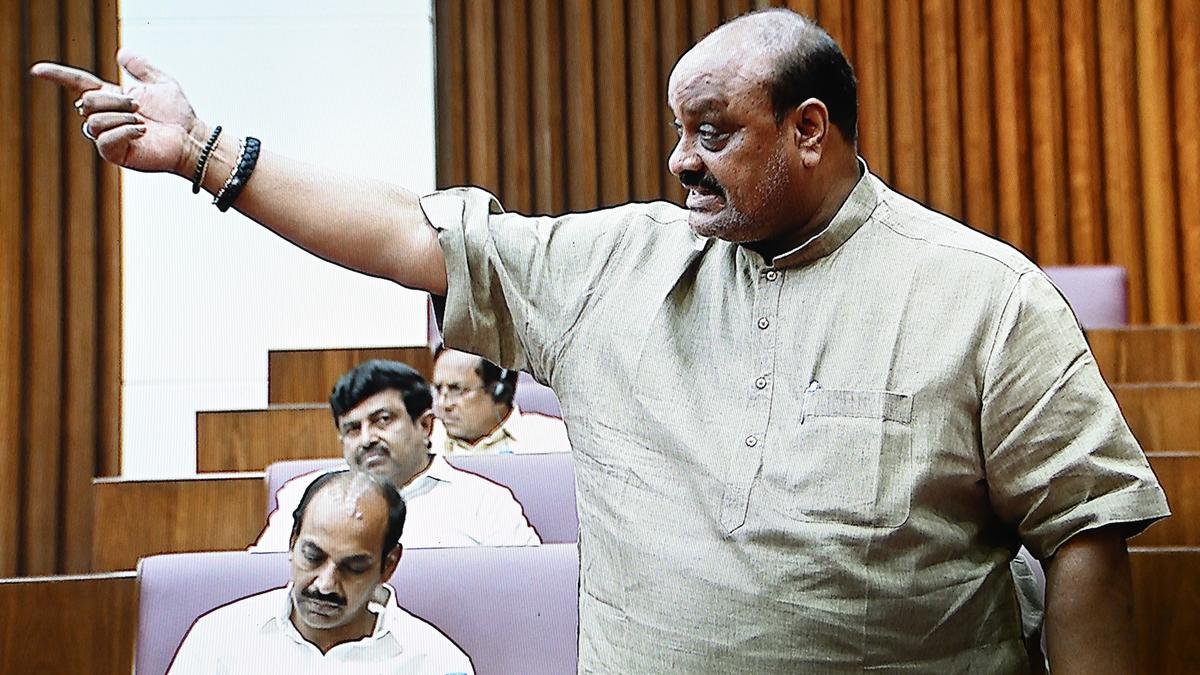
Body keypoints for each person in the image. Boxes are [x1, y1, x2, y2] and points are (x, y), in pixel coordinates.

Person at [33, 8, 1169, 672]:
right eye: (678, 132)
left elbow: (1084, 536)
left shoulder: (983, 297)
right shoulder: (611, 267)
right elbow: (405, 230)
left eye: (713, 134)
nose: (679, 163)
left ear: (810, 130)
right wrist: (205, 153)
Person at [169, 470, 474, 673]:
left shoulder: (436, 662)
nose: (325, 585)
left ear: (388, 565)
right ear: (292, 542)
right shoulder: (217, 638)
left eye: (353, 567)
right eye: (313, 557)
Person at [253, 359, 540, 550]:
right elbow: (263, 584)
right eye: (352, 429)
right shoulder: (303, 496)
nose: (367, 439)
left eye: (382, 420)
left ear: (425, 426)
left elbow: (531, 590)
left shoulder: (485, 502)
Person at [429, 346, 570, 455]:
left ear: (499, 392)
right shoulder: (424, 439)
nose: (443, 404)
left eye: (456, 389)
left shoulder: (553, 439)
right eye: (438, 389)